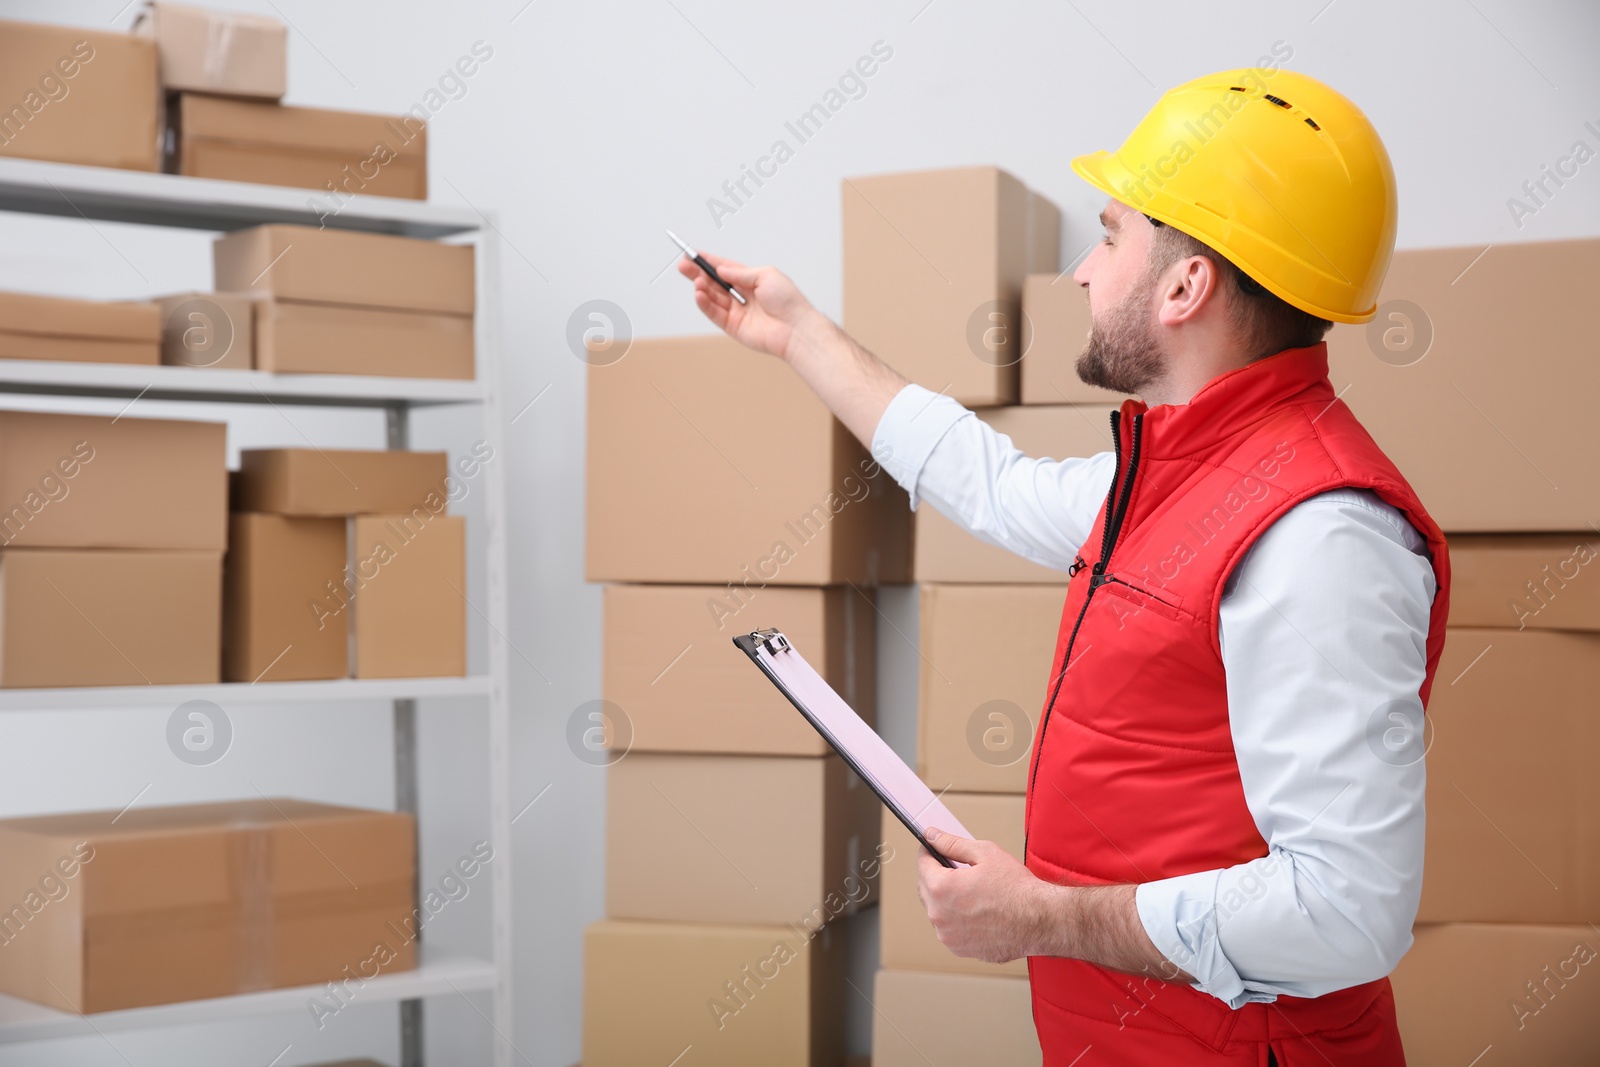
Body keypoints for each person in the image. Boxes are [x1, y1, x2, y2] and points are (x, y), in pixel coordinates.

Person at [679, 67, 1448, 1066]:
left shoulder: (1319, 535)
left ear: (1185, 284)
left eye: (1111, 232)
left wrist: (1039, 915)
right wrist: (796, 333)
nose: (1084, 271)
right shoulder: (1177, 475)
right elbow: (985, 479)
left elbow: (1345, 912)